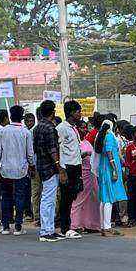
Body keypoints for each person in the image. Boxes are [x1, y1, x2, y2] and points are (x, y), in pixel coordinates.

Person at [0, 104, 34, 236]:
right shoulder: (26, 132)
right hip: (21, 170)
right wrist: (32, 165)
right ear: (21, 117)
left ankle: (5, 226)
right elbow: (30, 154)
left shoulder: (3, 131)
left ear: (10, 116)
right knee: (20, 197)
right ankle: (18, 226)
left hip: (5, 169)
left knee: (5, 197)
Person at [34, 100, 62, 242]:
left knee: (48, 198)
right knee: (48, 199)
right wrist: (59, 167)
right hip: (50, 167)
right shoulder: (50, 128)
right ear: (52, 112)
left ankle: (49, 229)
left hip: (41, 165)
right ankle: (46, 231)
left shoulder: (37, 127)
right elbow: (53, 150)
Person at [93, 118, 127, 236]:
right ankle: (107, 227)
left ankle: (103, 226)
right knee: (109, 199)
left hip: (103, 168)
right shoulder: (110, 136)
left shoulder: (101, 136)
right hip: (109, 168)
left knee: (104, 199)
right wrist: (114, 169)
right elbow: (109, 153)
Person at [67, 129, 102, 237]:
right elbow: (73, 158)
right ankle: (75, 225)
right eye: (81, 128)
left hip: (92, 174)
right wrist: (85, 154)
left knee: (94, 198)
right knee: (79, 199)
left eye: (85, 127)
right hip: (82, 173)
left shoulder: (87, 142)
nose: (84, 130)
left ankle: (92, 224)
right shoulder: (76, 144)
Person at [57, 101, 84, 236]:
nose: (80, 114)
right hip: (67, 166)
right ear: (72, 112)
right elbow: (59, 148)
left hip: (76, 165)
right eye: (78, 111)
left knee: (74, 195)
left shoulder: (74, 128)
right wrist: (62, 170)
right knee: (66, 197)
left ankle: (71, 224)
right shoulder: (62, 128)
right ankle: (64, 227)